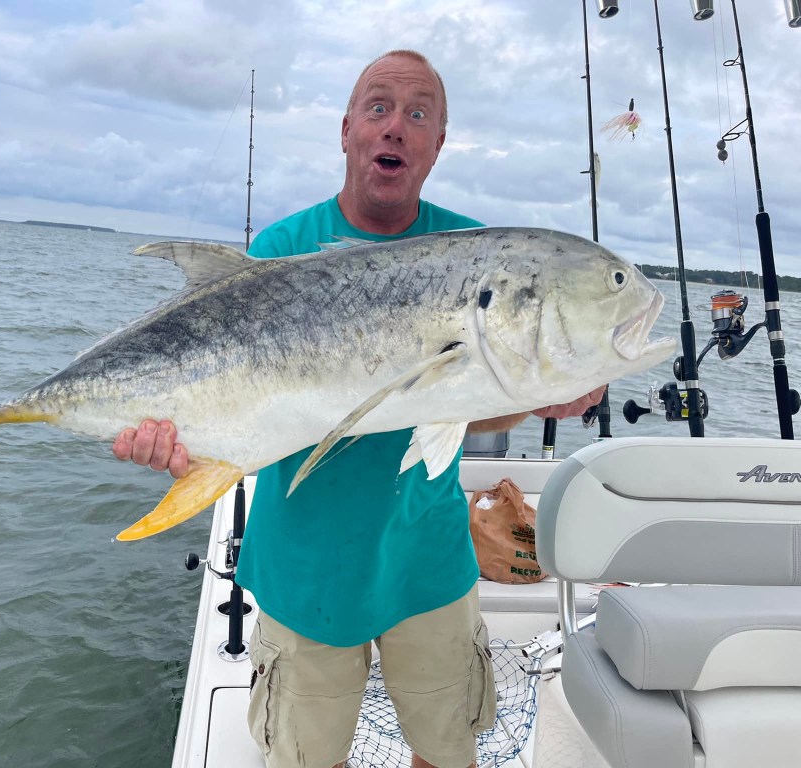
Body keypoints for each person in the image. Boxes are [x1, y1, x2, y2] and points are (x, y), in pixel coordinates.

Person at [113, 50, 605, 768]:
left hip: (428, 565)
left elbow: (471, 409)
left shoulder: (475, 256)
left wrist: (537, 396)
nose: (395, 126)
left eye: (418, 113)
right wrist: (175, 444)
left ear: (438, 142)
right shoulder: (282, 249)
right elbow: (239, 405)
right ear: (347, 130)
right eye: (378, 107)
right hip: (303, 571)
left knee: (447, 754)